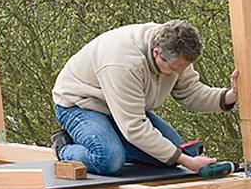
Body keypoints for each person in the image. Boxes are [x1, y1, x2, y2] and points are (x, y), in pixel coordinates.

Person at [51, 20, 238, 175]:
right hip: (79, 104)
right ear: (157, 54)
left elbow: (191, 92)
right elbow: (134, 127)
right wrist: (188, 162)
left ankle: (112, 138)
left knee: (172, 156)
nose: (178, 74)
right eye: (174, 70)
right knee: (109, 159)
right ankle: (65, 147)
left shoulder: (176, 51)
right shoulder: (123, 63)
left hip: (121, 109)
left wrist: (229, 96)